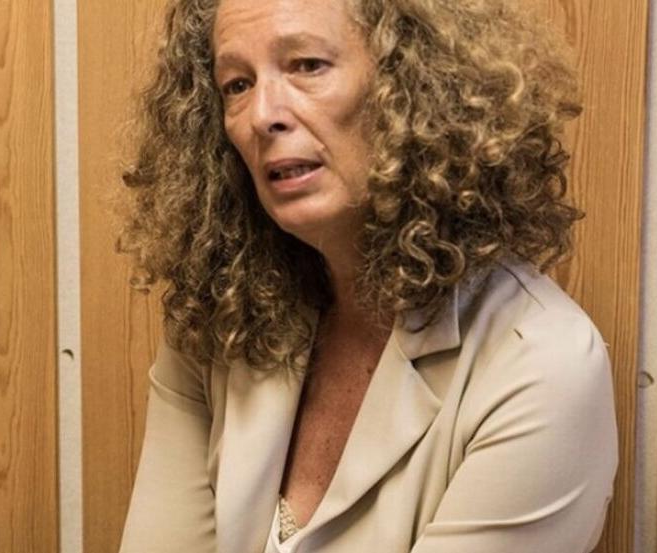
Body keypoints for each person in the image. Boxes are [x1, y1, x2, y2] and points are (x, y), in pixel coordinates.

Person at [116, 0, 618, 551]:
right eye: (237, 84)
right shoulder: (221, 318)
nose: (262, 114)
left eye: (307, 65)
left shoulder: (541, 366)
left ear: (413, 83)